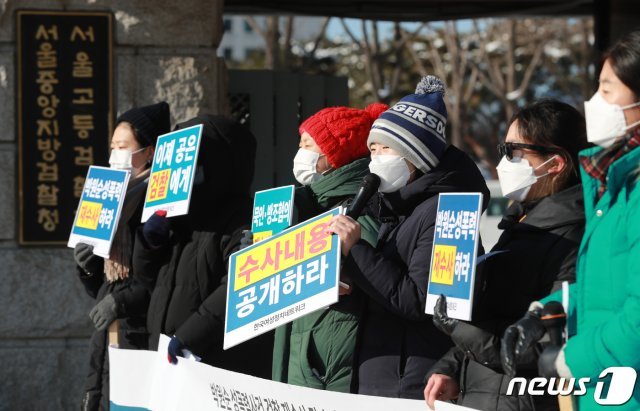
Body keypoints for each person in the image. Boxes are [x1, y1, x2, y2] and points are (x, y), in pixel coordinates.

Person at [501, 30, 640, 411]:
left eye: (608, 91)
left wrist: (574, 360)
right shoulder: (613, 185)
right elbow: (603, 286)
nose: (594, 103)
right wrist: (548, 308)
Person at [328, 76, 490, 399]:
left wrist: (356, 251)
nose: (376, 158)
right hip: (383, 374)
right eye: (372, 150)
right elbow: (388, 287)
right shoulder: (398, 208)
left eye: (385, 148)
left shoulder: (445, 211)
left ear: (416, 154)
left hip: (413, 380)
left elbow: (422, 300)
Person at [424, 99, 588, 410]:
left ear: (555, 163)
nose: (504, 162)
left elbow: (540, 349)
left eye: (514, 152)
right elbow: (494, 318)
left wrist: (458, 327)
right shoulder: (521, 223)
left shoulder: (574, 236)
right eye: (503, 149)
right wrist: (451, 367)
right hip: (483, 395)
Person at [131, 114, 273, 378]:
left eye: (193, 161)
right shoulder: (179, 217)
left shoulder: (245, 216)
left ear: (218, 162)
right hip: (170, 362)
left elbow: (241, 285)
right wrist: (148, 244)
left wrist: (189, 337)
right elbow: (150, 282)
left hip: (217, 366)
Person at [272, 103, 387, 392]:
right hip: (306, 360)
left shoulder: (358, 211)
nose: (301, 154)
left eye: (308, 144)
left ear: (334, 155)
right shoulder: (313, 206)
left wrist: (351, 275)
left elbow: (373, 272)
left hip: (326, 369)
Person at [74, 101, 171, 410]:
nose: (116, 153)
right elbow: (100, 288)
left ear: (150, 152)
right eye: (113, 145)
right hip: (110, 334)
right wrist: (86, 266)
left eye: (123, 146)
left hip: (142, 333)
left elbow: (161, 279)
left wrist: (120, 301)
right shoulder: (109, 198)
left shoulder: (161, 201)